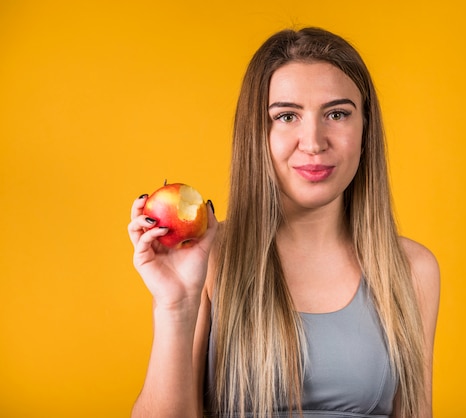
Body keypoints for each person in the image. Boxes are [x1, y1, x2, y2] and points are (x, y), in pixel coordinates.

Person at [128, 27, 440, 418]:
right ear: (257, 133)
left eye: (337, 114)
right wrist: (175, 305)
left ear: (365, 130)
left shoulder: (412, 270)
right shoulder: (208, 259)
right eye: (287, 116)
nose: (312, 141)